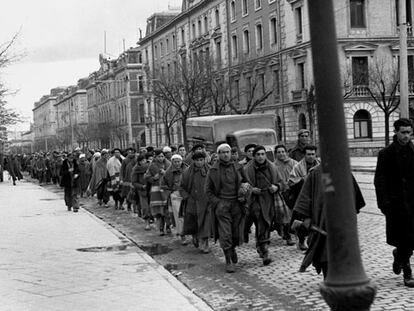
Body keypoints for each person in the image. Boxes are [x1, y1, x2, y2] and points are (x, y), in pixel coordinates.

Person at [293, 164, 365, 278]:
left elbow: (354, 195)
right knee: (324, 251)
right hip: (321, 220)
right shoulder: (316, 173)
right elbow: (305, 196)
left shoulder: (344, 171)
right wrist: (306, 217)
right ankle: (328, 277)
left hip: (342, 220)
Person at [374, 118, 414, 287]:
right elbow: (380, 180)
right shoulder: (386, 154)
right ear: (396, 132)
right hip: (395, 205)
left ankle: (399, 256)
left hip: (413, 203)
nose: (407, 136)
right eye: (403, 132)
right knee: (403, 238)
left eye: (409, 132)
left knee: (412, 239)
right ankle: (407, 271)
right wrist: (384, 204)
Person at [205, 143, 250, 273]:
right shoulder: (213, 170)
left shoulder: (238, 167)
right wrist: (217, 202)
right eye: (222, 152)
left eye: (227, 152)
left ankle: (232, 249)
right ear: (218, 155)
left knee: (236, 233)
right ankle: (228, 260)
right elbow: (208, 191)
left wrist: (245, 192)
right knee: (225, 234)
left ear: (231, 153)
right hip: (222, 206)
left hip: (237, 205)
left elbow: (247, 183)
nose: (225, 154)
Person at [245, 145, 284, 265]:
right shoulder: (248, 169)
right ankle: (265, 250)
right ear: (254, 156)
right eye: (258, 154)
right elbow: (243, 185)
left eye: (262, 154)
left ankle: (261, 245)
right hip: (255, 202)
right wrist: (252, 190)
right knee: (261, 222)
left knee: (267, 223)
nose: (260, 157)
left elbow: (281, 183)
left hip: (269, 200)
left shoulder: (272, 167)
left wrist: (276, 187)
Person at [289, 144, 320, 251]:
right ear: (304, 155)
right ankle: (302, 239)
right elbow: (291, 182)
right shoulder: (298, 167)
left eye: (313, 154)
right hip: (303, 198)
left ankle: (314, 241)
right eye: (308, 154)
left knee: (317, 220)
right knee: (305, 221)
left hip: (317, 198)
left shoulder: (320, 166)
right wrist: (302, 180)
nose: (311, 156)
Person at [181, 151, 211, 253]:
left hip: (207, 202)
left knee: (206, 223)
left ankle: (205, 243)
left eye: (201, 160)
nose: (199, 162)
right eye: (197, 160)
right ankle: (195, 236)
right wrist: (187, 197)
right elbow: (182, 187)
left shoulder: (210, 171)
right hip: (193, 202)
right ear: (193, 161)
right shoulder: (187, 172)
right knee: (194, 223)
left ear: (205, 160)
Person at [274, 144, 298, 246]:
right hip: (280, 192)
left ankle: (291, 232)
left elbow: (299, 174)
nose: (281, 154)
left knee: (292, 213)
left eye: (283, 152)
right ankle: (287, 235)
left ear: (286, 153)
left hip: (292, 191)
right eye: (279, 152)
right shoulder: (273, 166)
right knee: (284, 214)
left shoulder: (294, 163)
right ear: (276, 154)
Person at [161, 154, 188, 244]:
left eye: (179, 161)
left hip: (187, 194)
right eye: (175, 162)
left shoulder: (187, 169)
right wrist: (170, 192)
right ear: (172, 162)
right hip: (175, 195)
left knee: (189, 214)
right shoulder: (168, 172)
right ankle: (182, 235)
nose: (177, 163)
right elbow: (163, 184)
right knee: (179, 216)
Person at [145, 149, 171, 236]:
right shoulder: (152, 166)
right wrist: (153, 178)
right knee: (159, 211)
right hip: (156, 191)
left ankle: (168, 226)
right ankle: (160, 228)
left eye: (162, 156)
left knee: (167, 210)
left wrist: (165, 173)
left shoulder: (168, 164)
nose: (161, 158)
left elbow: (172, 175)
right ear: (155, 157)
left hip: (166, 190)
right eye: (159, 156)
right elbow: (147, 176)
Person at [131, 154, 151, 230]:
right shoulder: (135, 170)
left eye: (144, 160)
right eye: (142, 161)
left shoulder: (150, 167)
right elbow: (134, 182)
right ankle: (147, 222)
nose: (144, 162)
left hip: (151, 189)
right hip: (142, 191)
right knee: (145, 207)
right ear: (139, 162)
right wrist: (141, 186)